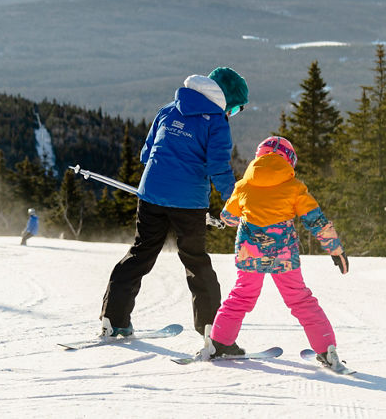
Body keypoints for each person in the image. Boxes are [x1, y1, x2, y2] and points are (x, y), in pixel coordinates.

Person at [100, 67, 249, 339]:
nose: (232, 113)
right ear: (226, 99)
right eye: (236, 108)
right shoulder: (216, 120)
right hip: (188, 202)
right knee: (196, 261)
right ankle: (214, 333)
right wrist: (235, 201)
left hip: (151, 195)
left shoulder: (168, 109)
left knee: (140, 253)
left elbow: (146, 153)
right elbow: (218, 167)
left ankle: (114, 318)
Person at [209, 136, 348, 365]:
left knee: (241, 295)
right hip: (283, 256)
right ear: (289, 160)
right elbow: (316, 220)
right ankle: (326, 350)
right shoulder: (294, 187)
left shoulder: (243, 185)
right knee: (300, 299)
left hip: (249, 254)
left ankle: (219, 343)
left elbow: (229, 218)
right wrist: (335, 250)